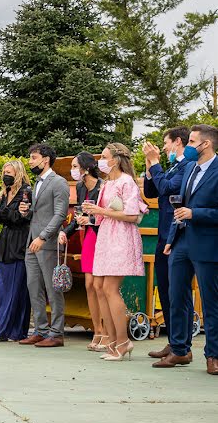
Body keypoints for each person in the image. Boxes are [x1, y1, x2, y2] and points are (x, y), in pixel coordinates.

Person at [155, 124, 218, 375]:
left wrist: (196, 214)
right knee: (176, 296)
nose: (188, 146)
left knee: (212, 301)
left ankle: (213, 355)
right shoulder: (190, 168)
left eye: (192, 142)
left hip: (208, 244)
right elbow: (178, 206)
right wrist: (171, 238)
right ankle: (180, 350)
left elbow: (194, 210)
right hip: (181, 242)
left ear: (206, 144)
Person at [83, 143, 146, 360]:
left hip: (120, 238)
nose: (101, 160)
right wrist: (91, 215)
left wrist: (100, 211)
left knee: (110, 288)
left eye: (105, 156)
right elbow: (103, 214)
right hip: (106, 236)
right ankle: (111, 340)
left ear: (116, 160)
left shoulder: (127, 182)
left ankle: (123, 341)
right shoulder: (108, 184)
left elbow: (131, 215)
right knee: (99, 286)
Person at [142, 127, 189, 359]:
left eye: (166, 143)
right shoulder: (171, 167)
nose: (163, 148)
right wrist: (150, 167)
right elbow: (152, 191)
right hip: (163, 234)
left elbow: (168, 188)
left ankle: (182, 345)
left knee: (177, 291)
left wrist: (155, 162)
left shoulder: (186, 167)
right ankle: (173, 341)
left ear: (177, 142)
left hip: (176, 234)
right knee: (165, 289)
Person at [19, 143, 69, 348]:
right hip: (32, 240)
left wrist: (43, 237)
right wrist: (26, 212)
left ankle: (56, 333)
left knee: (52, 288)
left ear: (45, 159)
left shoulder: (59, 183)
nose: (30, 162)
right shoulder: (36, 183)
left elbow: (60, 214)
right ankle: (40, 330)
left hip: (46, 243)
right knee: (33, 286)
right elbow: (39, 213)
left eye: (33, 158)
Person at [59, 152, 105, 351]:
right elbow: (79, 215)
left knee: (99, 286)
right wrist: (65, 232)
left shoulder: (102, 187)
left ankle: (107, 332)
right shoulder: (79, 187)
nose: (73, 170)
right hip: (87, 237)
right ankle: (97, 331)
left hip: (102, 237)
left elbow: (106, 217)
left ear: (86, 168)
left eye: (76, 166)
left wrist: (91, 220)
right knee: (89, 285)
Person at [0, 161, 32, 342]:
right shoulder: (5, 192)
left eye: (9, 172)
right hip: (6, 244)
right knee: (5, 290)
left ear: (19, 173)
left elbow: (18, 218)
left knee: (17, 290)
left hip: (20, 243)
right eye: (4, 171)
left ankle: (12, 330)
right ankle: (5, 328)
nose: (6, 174)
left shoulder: (26, 191)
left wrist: (1, 208)